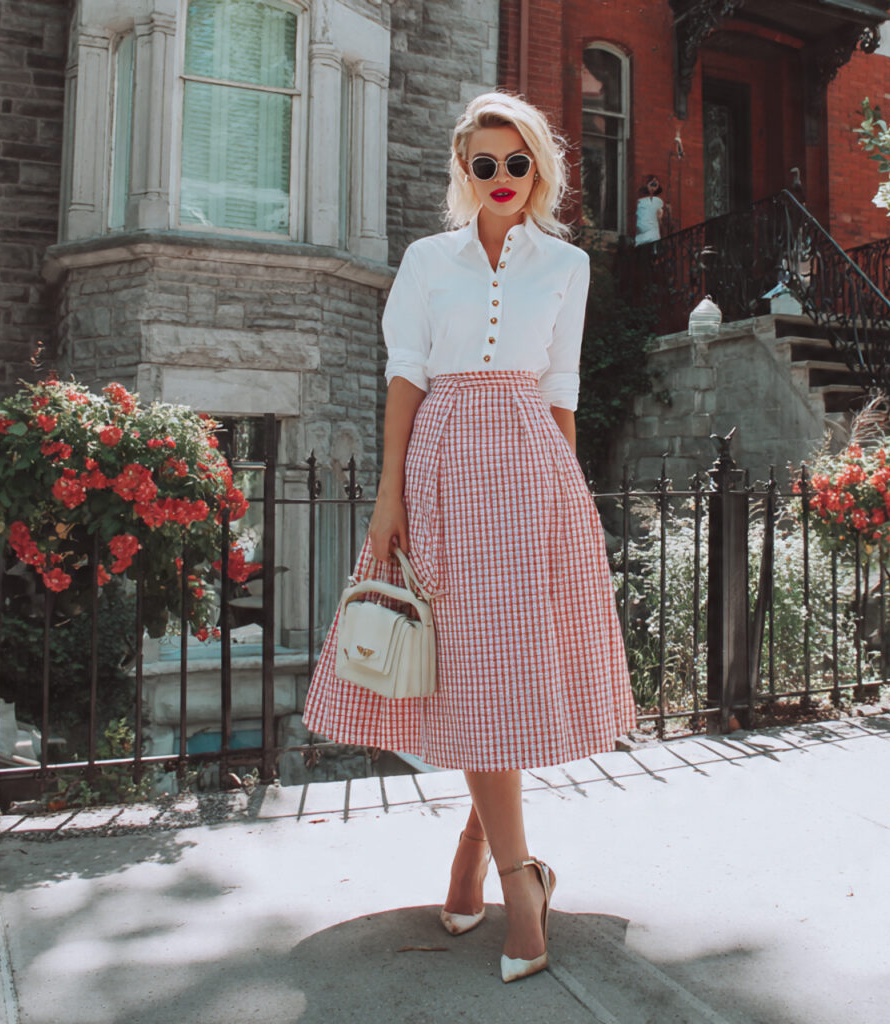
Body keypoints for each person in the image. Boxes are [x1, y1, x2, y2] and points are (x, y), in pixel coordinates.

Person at [302, 91, 636, 984]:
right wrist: (389, 496)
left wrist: (573, 499)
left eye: (516, 163)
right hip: (446, 465)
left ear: (538, 169)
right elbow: (405, 376)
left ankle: (477, 854)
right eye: (482, 164)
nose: (500, 179)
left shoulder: (565, 265)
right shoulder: (426, 260)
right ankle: (521, 879)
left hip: (530, 469)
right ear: (464, 170)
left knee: (509, 669)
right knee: (474, 664)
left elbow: (560, 387)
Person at [634, 174, 665, 245]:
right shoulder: (641, 201)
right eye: (652, 183)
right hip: (643, 234)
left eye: (655, 184)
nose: (654, 183)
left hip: (654, 233)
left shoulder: (658, 201)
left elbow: (659, 219)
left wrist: (659, 218)